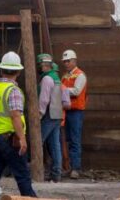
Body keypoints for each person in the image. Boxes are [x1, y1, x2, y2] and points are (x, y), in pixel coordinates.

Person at [0, 51, 38, 200]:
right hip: (10, 139)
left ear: (2, 69)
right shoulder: (13, 90)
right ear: (18, 71)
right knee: (22, 175)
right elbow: (15, 116)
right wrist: (22, 139)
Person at [37, 54, 66, 182]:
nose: (39, 67)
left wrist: (39, 114)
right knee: (55, 145)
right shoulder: (57, 78)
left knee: (38, 141)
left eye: (39, 64)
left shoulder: (47, 79)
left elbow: (44, 99)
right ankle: (56, 174)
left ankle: (35, 171)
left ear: (43, 65)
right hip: (57, 114)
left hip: (48, 114)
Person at [61, 49, 87, 178]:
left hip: (76, 111)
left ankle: (76, 168)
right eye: (64, 61)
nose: (66, 63)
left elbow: (76, 91)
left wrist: (62, 90)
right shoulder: (65, 76)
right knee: (67, 140)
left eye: (68, 61)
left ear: (74, 61)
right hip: (66, 111)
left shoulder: (80, 75)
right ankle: (69, 167)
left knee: (75, 140)